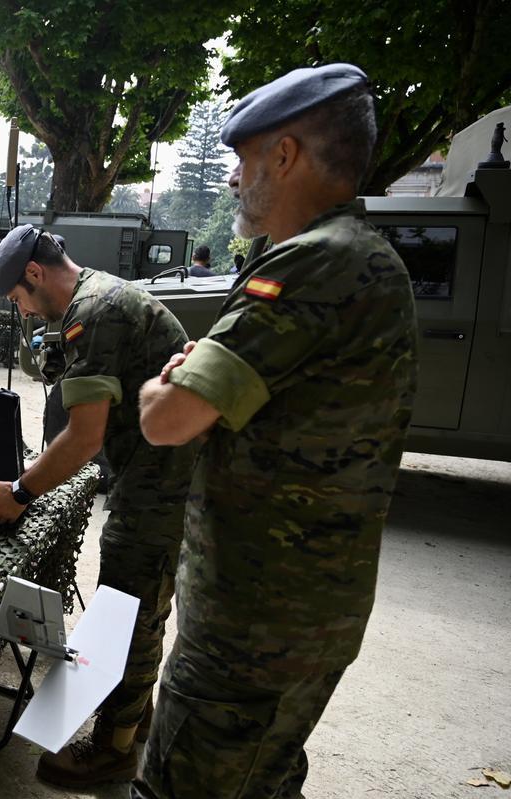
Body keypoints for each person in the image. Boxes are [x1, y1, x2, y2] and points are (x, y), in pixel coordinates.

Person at [135, 64, 418, 799]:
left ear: (284, 156)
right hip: (302, 612)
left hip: (253, 625)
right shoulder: (362, 254)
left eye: (244, 159)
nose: (232, 178)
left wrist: (158, 386)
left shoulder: (313, 263)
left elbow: (170, 420)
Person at [0, 224, 196, 787]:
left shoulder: (95, 312)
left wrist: (20, 494)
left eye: (19, 300)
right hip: (156, 465)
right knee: (141, 599)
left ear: (33, 273)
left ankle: (115, 748)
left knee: (127, 605)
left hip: (160, 477)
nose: (22, 312)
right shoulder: (94, 298)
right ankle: (135, 710)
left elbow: (83, 439)